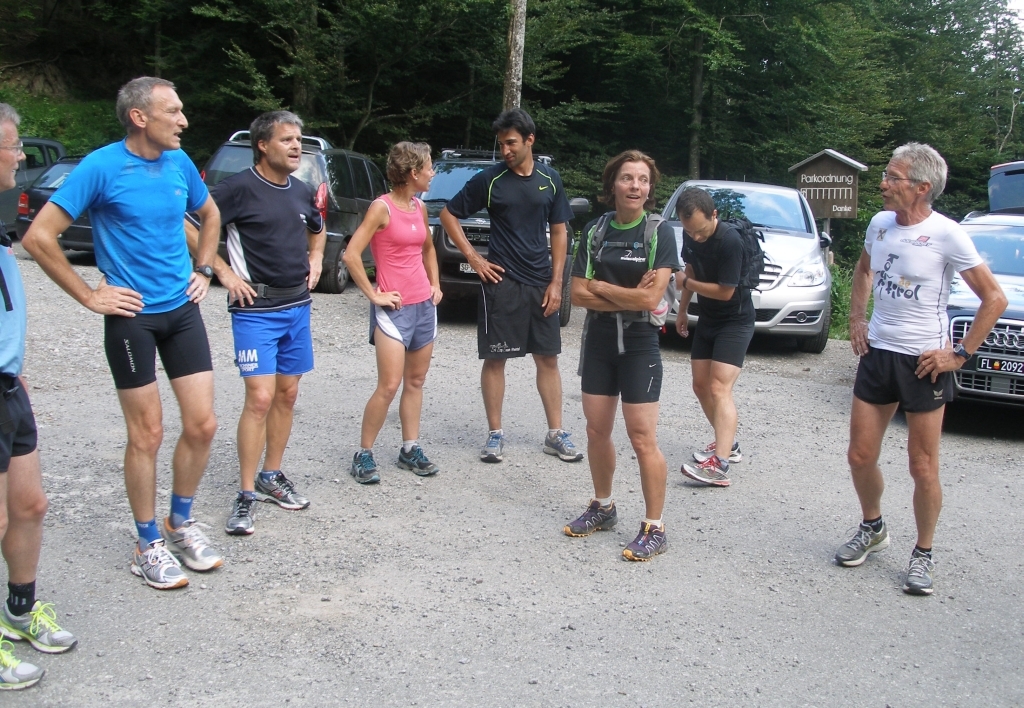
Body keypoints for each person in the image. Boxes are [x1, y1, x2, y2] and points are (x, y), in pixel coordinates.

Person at [22, 77, 224, 590]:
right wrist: (89, 295)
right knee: (148, 434)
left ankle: (180, 521)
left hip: (181, 311)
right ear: (140, 117)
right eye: (173, 111)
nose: (183, 120)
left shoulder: (179, 163)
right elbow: (40, 236)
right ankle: (146, 541)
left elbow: (210, 213)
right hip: (131, 317)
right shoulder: (101, 166)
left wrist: (203, 271)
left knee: (202, 425)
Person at [835, 143, 1006, 595]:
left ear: (922, 188)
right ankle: (873, 527)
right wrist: (856, 317)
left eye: (893, 178)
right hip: (879, 354)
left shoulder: (948, 234)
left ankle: (923, 553)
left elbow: (994, 299)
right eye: (887, 176)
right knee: (859, 455)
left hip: (924, 361)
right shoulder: (880, 224)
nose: (883, 185)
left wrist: (959, 354)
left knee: (923, 466)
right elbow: (865, 269)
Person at [184, 111, 324, 534]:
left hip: (297, 307)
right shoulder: (237, 188)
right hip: (255, 311)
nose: (296, 146)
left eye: (298, 139)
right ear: (263, 145)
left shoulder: (302, 191)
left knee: (287, 395)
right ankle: (245, 494)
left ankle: (271, 476)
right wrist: (222, 272)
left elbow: (318, 228)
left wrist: (316, 257)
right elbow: (190, 223)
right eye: (287, 140)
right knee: (259, 399)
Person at [440, 108, 583, 464]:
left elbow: (561, 231)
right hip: (501, 283)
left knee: (548, 359)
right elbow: (448, 214)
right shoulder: (490, 180)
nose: (505, 150)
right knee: (495, 358)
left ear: (529, 140)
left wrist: (556, 282)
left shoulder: (550, 180)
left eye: (511, 143)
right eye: (501, 144)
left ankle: (555, 433)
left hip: (541, 283)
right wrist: (474, 259)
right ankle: (495, 434)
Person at [563, 151, 679, 561]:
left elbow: (651, 299)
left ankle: (655, 526)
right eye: (627, 178)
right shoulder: (595, 230)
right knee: (596, 431)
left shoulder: (659, 233)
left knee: (642, 438)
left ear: (650, 188)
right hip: (597, 341)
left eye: (643, 180)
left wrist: (603, 289)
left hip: (639, 343)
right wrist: (624, 294)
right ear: (612, 184)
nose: (635, 186)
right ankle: (604, 505)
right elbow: (577, 294)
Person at [0, 103, 77, 691]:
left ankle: (19, 611)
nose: (21, 156)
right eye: (14, 145)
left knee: (29, 506)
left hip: (9, 387)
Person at [345, 142, 443, 484]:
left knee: (415, 381)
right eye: (429, 167)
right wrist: (374, 294)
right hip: (394, 310)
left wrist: (436, 285)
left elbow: (428, 249)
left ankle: (409, 449)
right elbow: (351, 254)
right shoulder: (381, 208)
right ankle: (364, 454)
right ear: (413, 173)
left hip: (423, 307)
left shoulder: (420, 207)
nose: (433, 173)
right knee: (389, 385)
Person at [675, 187, 755, 487]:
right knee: (700, 385)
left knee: (719, 386)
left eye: (700, 230)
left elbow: (726, 291)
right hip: (707, 318)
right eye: (689, 231)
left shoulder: (729, 240)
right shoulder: (690, 232)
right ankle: (728, 444)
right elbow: (690, 268)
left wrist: (689, 282)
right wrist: (682, 310)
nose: (695, 237)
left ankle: (719, 464)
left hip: (735, 320)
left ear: (714, 215)